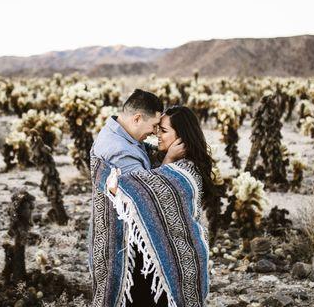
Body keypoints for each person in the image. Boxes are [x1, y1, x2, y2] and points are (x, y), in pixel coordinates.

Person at [92, 105, 217, 307]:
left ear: (182, 138)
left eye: (164, 130)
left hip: (168, 261)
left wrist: (105, 176)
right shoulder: (162, 161)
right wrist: (166, 159)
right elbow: (152, 183)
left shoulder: (184, 170)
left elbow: (144, 192)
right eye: (157, 128)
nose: (157, 134)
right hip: (152, 261)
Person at [88, 90, 185, 307]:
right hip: (123, 240)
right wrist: (169, 159)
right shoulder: (119, 150)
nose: (153, 133)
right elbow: (144, 196)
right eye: (153, 126)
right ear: (137, 118)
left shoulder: (121, 133)